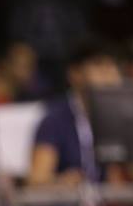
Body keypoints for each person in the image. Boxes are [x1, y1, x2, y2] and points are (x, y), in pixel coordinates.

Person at [27, 38, 122, 186]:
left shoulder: (119, 118)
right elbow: (36, 180)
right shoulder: (55, 120)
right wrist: (61, 182)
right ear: (74, 73)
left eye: (112, 65)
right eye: (99, 65)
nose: (108, 73)